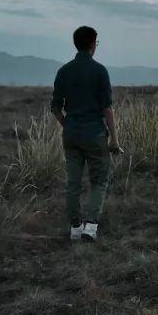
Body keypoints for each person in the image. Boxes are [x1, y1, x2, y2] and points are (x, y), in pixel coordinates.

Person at [50, 25, 120, 242]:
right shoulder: (100, 71)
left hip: (71, 134)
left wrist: (68, 125)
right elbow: (107, 108)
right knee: (99, 180)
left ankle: (75, 227)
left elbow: (55, 108)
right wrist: (114, 139)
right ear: (92, 44)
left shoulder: (63, 71)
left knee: (73, 182)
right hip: (95, 134)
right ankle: (91, 225)